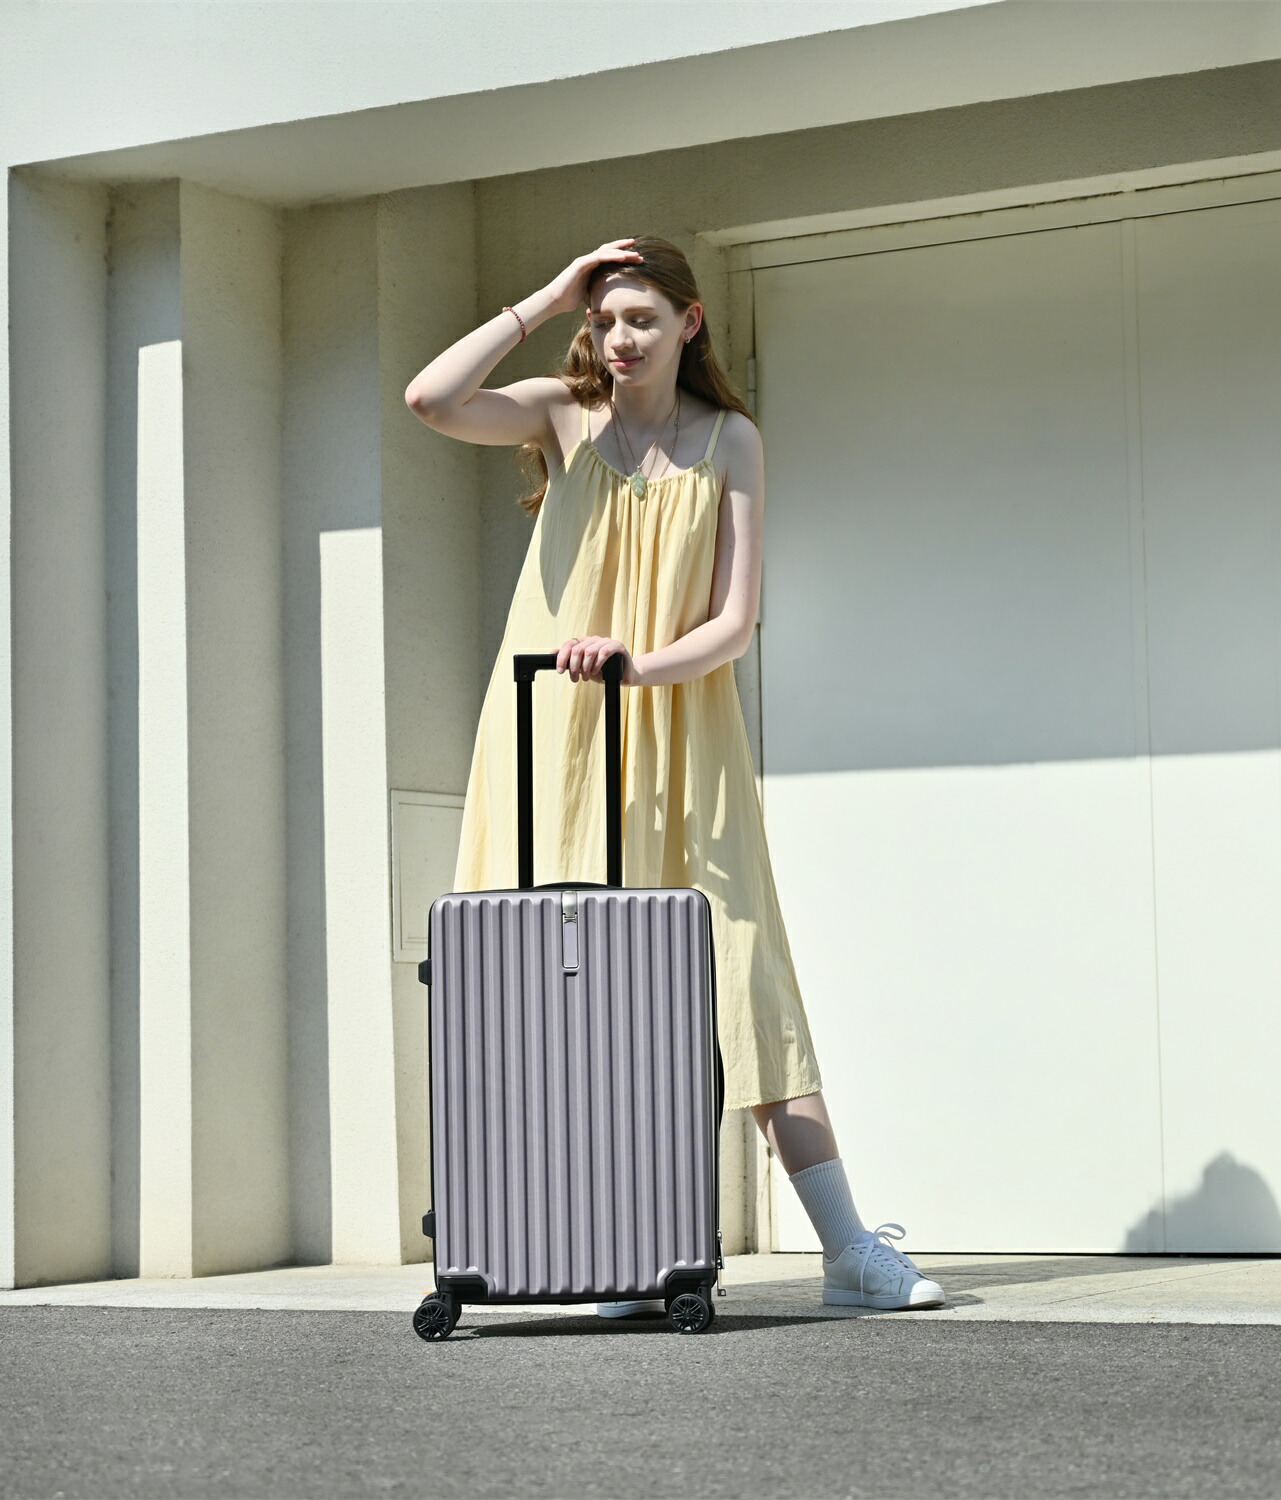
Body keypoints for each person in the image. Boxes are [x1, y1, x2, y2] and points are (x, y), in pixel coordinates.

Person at [404, 235, 943, 1317]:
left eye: (641, 317)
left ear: (690, 322)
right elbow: (431, 398)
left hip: (684, 735)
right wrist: (548, 295)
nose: (619, 338)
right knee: (568, 990)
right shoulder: (565, 419)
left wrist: (638, 668)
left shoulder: (731, 440)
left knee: (742, 975)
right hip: (554, 742)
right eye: (603, 320)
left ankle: (847, 1251)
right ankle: (624, 1252)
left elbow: (736, 621)